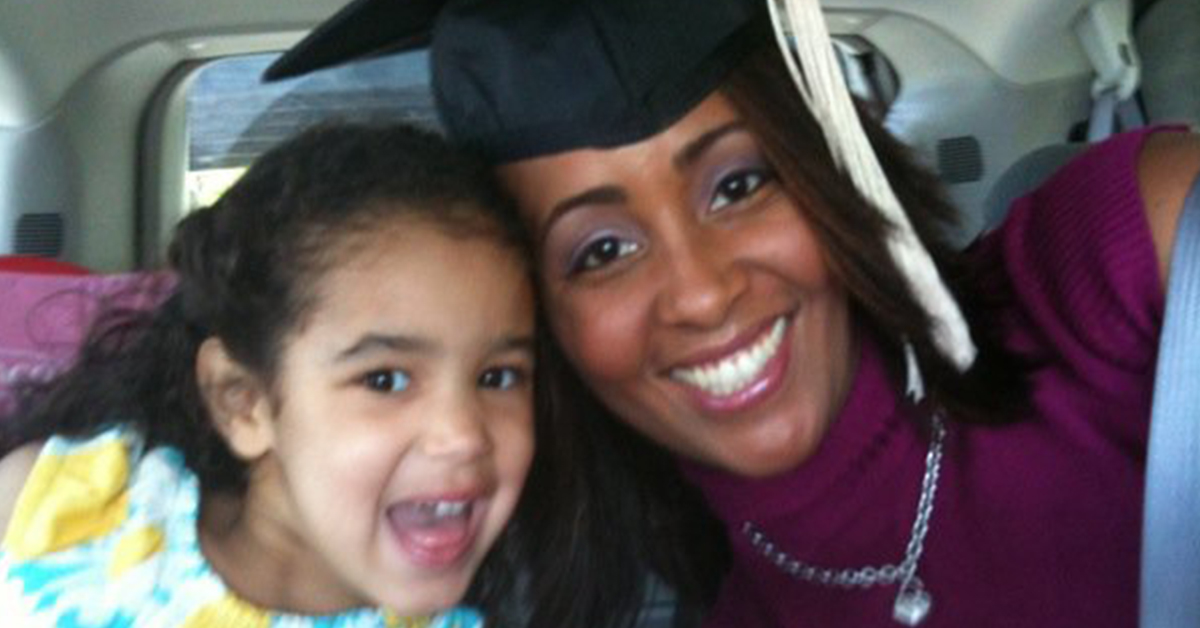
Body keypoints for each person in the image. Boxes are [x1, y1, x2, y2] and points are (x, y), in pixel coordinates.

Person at [266, 0, 1200, 626]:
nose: (703, 291)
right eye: (600, 252)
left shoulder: (1116, 263)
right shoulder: (714, 596)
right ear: (543, 323)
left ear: (831, 167)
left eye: (739, 184)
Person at [0, 122, 550, 626]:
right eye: (386, 380)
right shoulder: (61, 503)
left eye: (499, 377)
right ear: (243, 402)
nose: (463, 435)